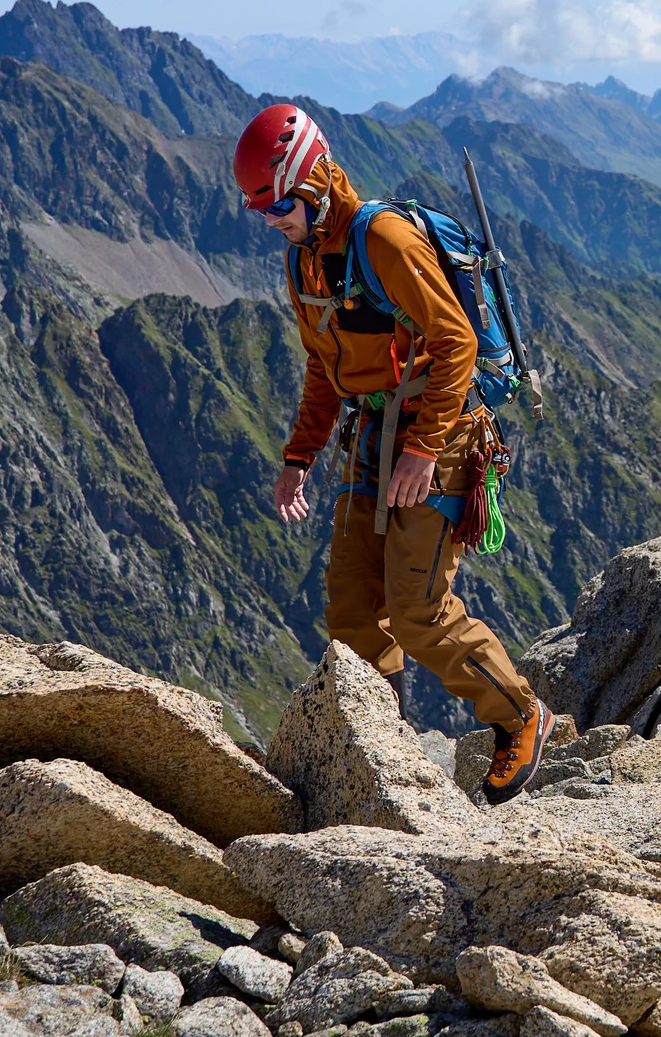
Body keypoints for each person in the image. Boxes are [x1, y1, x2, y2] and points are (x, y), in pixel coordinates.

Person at [233, 104, 554, 805]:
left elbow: (455, 345)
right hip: (371, 437)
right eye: (262, 210)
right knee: (351, 610)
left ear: (313, 183)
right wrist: (298, 458)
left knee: (417, 610)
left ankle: (522, 715)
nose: (273, 220)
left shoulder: (383, 240)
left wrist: (422, 447)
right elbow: (325, 368)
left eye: (281, 205)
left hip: (441, 434)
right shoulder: (305, 261)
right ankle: (387, 750)